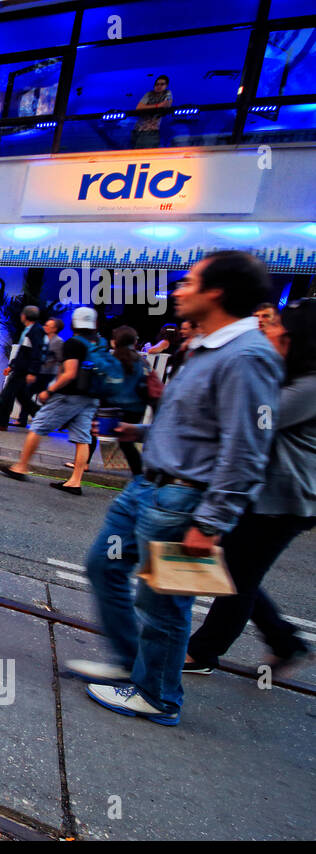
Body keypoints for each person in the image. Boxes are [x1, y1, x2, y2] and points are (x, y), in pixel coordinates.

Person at [68, 251, 283, 726]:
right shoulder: (209, 347)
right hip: (148, 487)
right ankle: (132, 663)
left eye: (189, 283)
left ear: (217, 293)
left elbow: (247, 447)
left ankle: (158, 694)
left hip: (184, 500)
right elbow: (198, 425)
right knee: (103, 567)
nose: (178, 291)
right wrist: (140, 434)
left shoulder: (248, 356)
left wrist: (209, 524)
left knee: (164, 600)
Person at [185, 299, 316, 677]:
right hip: (264, 494)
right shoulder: (290, 374)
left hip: (284, 500)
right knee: (234, 570)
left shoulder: (310, 385)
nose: (266, 330)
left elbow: (253, 418)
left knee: (236, 576)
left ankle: (203, 653)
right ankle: (284, 641)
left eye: (275, 326)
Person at [0, 306, 105, 494]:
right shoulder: (99, 342)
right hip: (91, 396)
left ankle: (21, 467)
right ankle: (75, 481)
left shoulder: (73, 343)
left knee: (38, 426)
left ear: (75, 323)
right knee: (83, 438)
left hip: (68, 395)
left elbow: (69, 373)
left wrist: (50, 390)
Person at [71, 325, 149, 476]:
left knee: (89, 433)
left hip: (110, 409)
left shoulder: (112, 361)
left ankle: (83, 464)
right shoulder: (143, 363)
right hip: (135, 411)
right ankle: (139, 475)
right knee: (127, 444)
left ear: (114, 342)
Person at [0, 305, 45, 431]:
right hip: (20, 369)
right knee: (24, 399)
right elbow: (23, 352)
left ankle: (1, 423)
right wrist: (12, 366)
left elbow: (36, 352)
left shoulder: (36, 331)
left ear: (25, 316)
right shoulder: (29, 330)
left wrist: (32, 371)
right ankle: (45, 419)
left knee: (6, 396)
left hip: (23, 371)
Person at [131, 75, 173, 149]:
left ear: (166, 85)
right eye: (157, 84)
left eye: (162, 84)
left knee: (148, 153)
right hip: (137, 129)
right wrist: (157, 105)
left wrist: (150, 107)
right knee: (136, 153)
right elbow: (139, 107)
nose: (159, 86)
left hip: (152, 131)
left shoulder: (168, 93)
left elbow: (167, 104)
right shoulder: (149, 94)